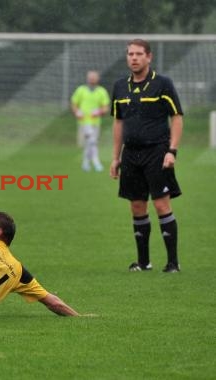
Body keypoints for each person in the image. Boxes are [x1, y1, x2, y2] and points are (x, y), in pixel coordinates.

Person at [109, 39, 183, 273]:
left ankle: (172, 263)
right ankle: (143, 262)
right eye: (130, 53)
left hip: (157, 152)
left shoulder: (162, 84)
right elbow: (118, 122)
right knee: (137, 206)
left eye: (139, 54)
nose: (134, 58)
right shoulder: (120, 86)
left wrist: (172, 150)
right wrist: (115, 157)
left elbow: (177, 117)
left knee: (162, 205)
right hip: (131, 155)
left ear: (149, 57)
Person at [71, 70, 110, 172]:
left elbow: (106, 107)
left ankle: (86, 163)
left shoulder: (101, 91)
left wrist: (99, 111)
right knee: (92, 141)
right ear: (87, 78)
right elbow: (74, 104)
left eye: (94, 77)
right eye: (90, 77)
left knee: (91, 143)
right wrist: (77, 112)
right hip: (84, 122)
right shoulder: (81, 90)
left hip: (95, 122)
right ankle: (96, 162)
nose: (92, 79)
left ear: (98, 79)